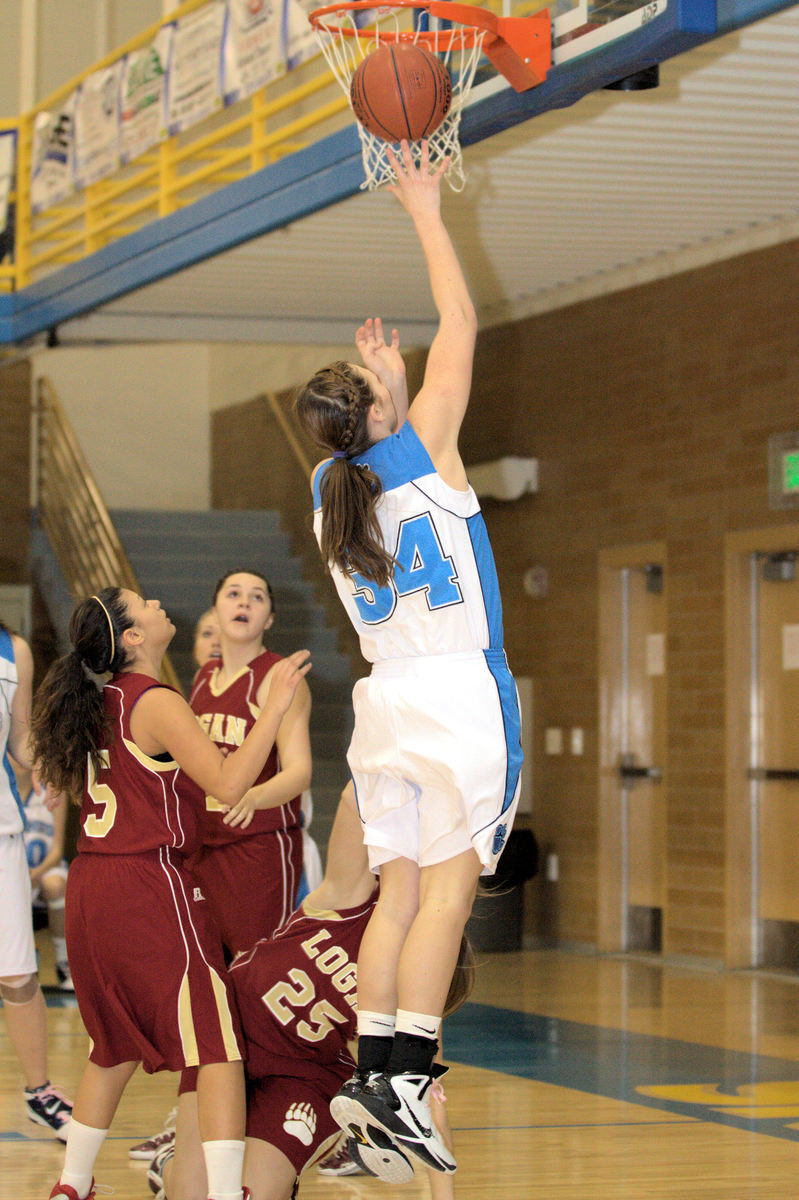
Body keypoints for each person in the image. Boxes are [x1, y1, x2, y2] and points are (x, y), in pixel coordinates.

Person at [292, 140, 523, 1175]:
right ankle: (408, 1077)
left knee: (392, 896)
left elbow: (371, 442)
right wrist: (425, 208)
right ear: (380, 411)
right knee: (447, 897)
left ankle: (371, 1066)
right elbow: (463, 327)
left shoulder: (325, 492)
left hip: (384, 704)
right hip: (458, 697)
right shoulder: (424, 443)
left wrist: (381, 395)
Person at [30, 587, 310, 1200]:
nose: (160, 602)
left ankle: (72, 1186)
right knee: (219, 1046)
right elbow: (230, 783)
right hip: (147, 882)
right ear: (132, 637)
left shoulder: (93, 701)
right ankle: (229, 1193)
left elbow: (60, 776)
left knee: (114, 1045)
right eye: (145, 604)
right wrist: (276, 708)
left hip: (91, 886)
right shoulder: (153, 701)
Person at [148, 783, 471, 1200]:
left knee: (253, 1194)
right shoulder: (352, 895)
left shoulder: (418, 991)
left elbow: (430, 1106)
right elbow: (351, 798)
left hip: (302, 1077)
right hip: (228, 1040)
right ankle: (172, 1165)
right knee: (190, 1193)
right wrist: (397, 757)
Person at [188, 570, 312, 955]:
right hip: (203, 846)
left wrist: (254, 798)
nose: (244, 602)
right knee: (208, 968)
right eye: (234, 594)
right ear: (216, 609)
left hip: (257, 848)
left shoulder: (281, 677)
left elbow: (299, 771)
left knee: (253, 969)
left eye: (257, 597)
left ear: (269, 619)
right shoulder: (204, 675)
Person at [0, 621, 73, 1141]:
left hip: (2, 830)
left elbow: (21, 737)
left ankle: (39, 1092)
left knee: (18, 975)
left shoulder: (13, 650)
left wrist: (47, 766)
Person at [16, 760, 74, 991]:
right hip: (12, 870)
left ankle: (64, 963)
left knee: (56, 885)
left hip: (46, 868)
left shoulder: (53, 788)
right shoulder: (4, 790)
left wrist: (37, 873)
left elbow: (58, 849)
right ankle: (17, 966)